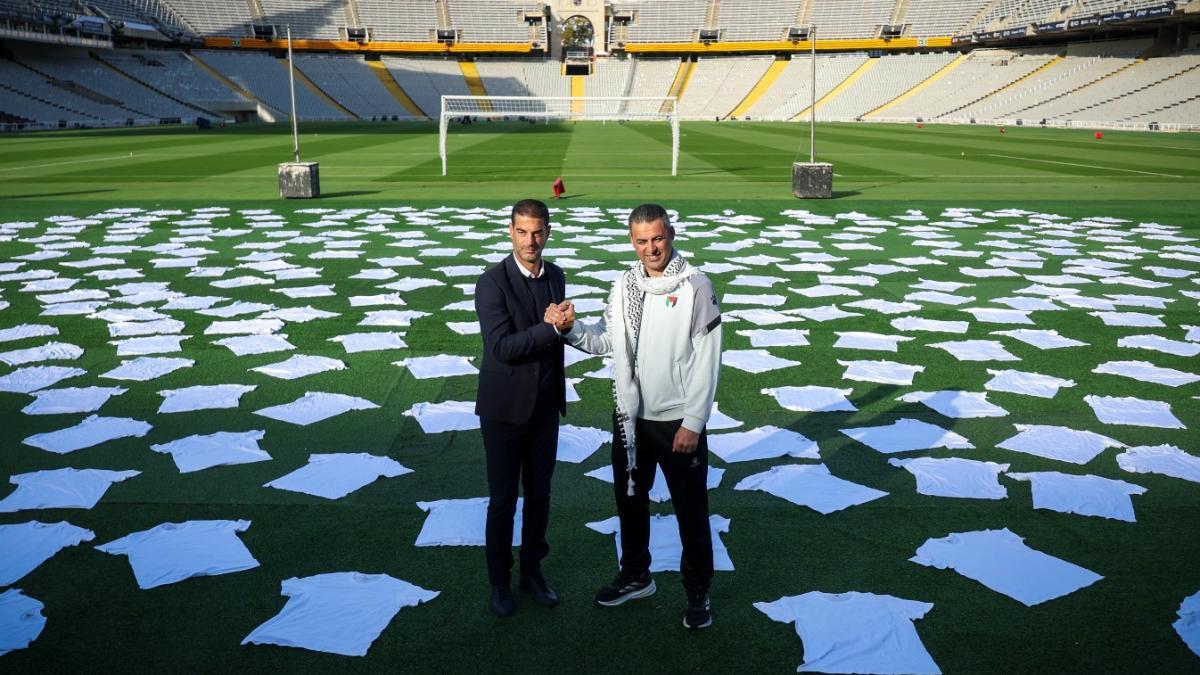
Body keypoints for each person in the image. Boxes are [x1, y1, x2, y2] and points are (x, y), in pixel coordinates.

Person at [559, 203, 722, 630]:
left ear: (671, 233)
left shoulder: (695, 286)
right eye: (642, 241)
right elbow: (604, 340)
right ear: (632, 241)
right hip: (631, 420)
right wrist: (570, 330)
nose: (652, 248)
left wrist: (694, 421)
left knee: (691, 511)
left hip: (677, 423)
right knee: (630, 504)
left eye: (658, 238)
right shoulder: (624, 286)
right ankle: (636, 576)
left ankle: (698, 592)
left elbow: (708, 359)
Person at [474, 198, 573, 618]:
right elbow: (502, 348)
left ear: (548, 232)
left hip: (545, 408)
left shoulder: (557, 276)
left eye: (537, 232)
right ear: (510, 232)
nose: (530, 240)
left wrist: (564, 325)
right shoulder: (491, 283)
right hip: (504, 410)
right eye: (522, 232)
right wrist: (550, 327)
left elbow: (553, 337)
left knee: (540, 496)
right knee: (502, 503)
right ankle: (500, 581)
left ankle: (532, 573)